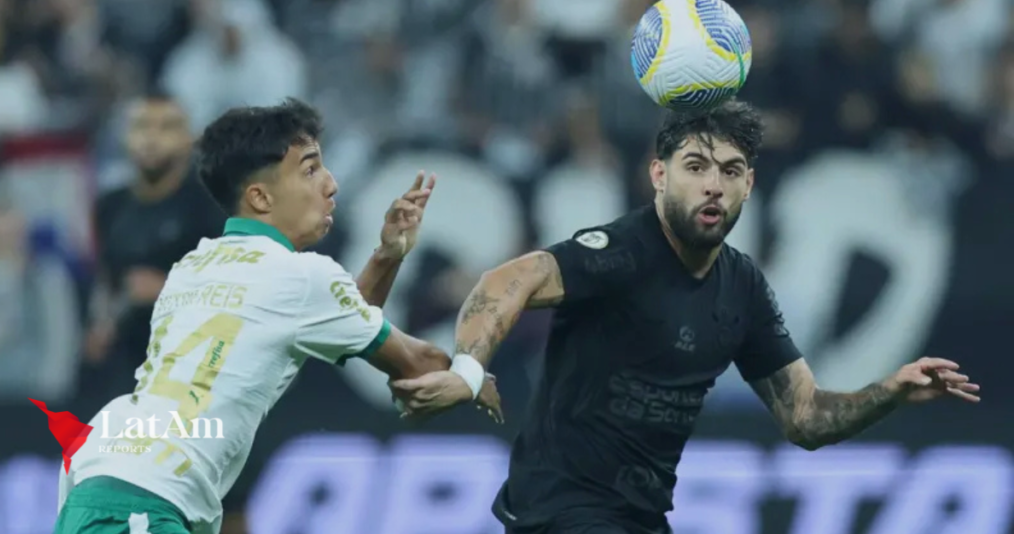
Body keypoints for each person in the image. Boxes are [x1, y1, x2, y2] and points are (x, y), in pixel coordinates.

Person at [391, 100, 981, 534]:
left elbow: (805, 417)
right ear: (658, 175)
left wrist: (889, 391)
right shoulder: (621, 251)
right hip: (560, 514)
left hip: (640, 519)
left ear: (749, 185)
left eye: (729, 171)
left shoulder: (742, 286)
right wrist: (468, 372)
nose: (713, 186)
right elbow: (508, 280)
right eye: (695, 166)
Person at [54, 98, 501, 534]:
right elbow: (417, 363)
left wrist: (387, 257)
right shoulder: (300, 276)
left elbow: (340, 319)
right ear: (260, 197)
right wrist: (471, 375)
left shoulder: (194, 265)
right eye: (310, 169)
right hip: (142, 500)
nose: (331, 184)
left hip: (103, 469)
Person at [85, 90, 226, 398]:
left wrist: (167, 288)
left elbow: (238, 292)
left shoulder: (210, 206)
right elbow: (106, 278)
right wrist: (101, 322)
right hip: (127, 361)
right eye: (141, 126)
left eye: (166, 127)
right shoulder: (111, 206)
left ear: (188, 138)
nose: (151, 139)